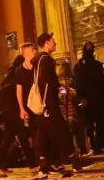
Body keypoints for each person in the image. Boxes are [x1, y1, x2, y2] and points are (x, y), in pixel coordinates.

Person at [32, 33, 80, 176]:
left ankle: (44, 166)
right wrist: (64, 89)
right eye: (53, 41)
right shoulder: (46, 59)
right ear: (47, 43)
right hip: (48, 103)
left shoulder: (38, 59)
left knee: (44, 134)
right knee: (62, 130)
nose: (56, 44)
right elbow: (48, 81)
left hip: (42, 102)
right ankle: (75, 161)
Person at [0, 55, 35, 171]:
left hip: (6, 111)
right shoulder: (18, 74)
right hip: (14, 110)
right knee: (22, 136)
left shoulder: (8, 76)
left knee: (8, 136)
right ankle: (32, 163)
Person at [74, 41, 104, 154]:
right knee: (92, 124)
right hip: (90, 99)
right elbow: (79, 83)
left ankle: (100, 145)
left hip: (95, 99)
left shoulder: (91, 65)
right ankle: (96, 145)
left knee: (98, 123)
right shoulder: (82, 65)